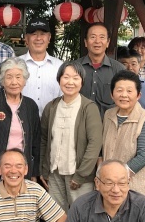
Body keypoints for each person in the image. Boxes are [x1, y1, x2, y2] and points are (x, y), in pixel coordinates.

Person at [40, 62, 102, 211]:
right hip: (54, 173)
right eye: (66, 77)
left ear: (82, 82)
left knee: (80, 215)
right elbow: (44, 140)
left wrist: (81, 175)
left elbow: (95, 143)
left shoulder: (89, 107)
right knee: (55, 215)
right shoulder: (51, 106)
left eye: (75, 78)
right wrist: (44, 169)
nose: (70, 82)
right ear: (59, 79)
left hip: (79, 174)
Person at [0, 57, 41, 182]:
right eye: (9, 77)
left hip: (22, 169)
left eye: (18, 77)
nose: (14, 82)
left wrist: (34, 171)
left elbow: (36, 141)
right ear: (2, 80)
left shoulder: (30, 105)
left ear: (24, 80)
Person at [102, 70, 145, 200]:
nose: (124, 95)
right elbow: (102, 147)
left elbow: (143, 156)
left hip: (135, 189)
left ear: (138, 95)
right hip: (108, 187)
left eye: (129, 91)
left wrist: (117, 177)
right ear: (112, 94)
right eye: (119, 90)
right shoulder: (108, 115)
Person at [73, 23, 126, 117]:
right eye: (93, 37)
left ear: (108, 42)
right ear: (85, 42)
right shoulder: (74, 68)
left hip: (108, 126)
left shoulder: (119, 69)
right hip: (79, 125)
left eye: (102, 37)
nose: (97, 41)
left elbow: (126, 100)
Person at [20, 19, 63, 116]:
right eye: (34, 34)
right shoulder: (16, 64)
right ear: (26, 39)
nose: (38, 38)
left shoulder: (60, 66)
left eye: (43, 34)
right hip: (22, 123)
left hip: (52, 123)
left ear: (49, 38)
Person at [117, 47, 145, 117]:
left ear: (140, 65)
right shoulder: (113, 86)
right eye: (125, 64)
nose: (130, 68)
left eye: (133, 64)